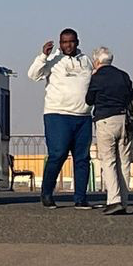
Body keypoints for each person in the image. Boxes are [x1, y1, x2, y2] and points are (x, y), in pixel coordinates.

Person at [28, 29, 95, 209]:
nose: (68, 45)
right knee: (57, 155)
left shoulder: (86, 61)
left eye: (71, 41)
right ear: (60, 43)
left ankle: (80, 198)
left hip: (83, 116)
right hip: (58, 115)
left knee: (82, 158)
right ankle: (47, 193)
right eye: (64, 42)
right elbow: (33, 75)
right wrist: (43, 56)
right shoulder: (54, 60)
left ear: (77, 42)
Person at [86, 46, 133, 215]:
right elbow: (131, 95)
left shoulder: (97, 78)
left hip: (105, 121)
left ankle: (113, 200)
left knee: (109, 161)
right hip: (125, 121)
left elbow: (89, 99)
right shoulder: (123, 75)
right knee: (124, 162)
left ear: (97, 61)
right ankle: (124, 200)